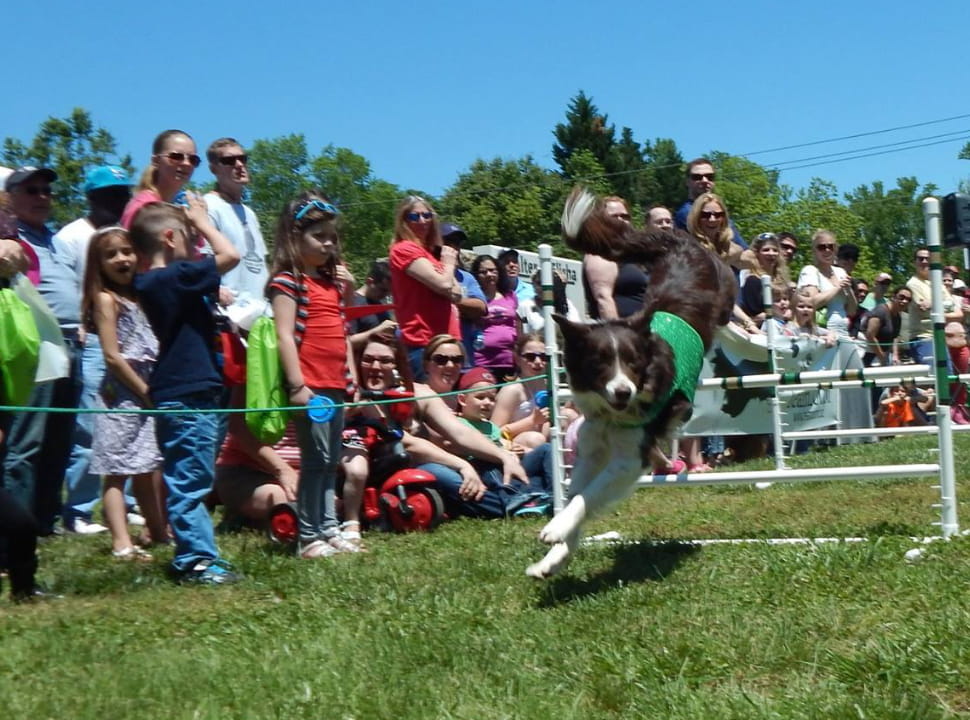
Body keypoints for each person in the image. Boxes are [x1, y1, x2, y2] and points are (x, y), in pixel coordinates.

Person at [130, 199, 241, 584]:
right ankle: (194, 561)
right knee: (189, 482)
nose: (197, 245)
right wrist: (203, 220)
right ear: (169, 237)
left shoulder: (163, 282)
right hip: (186, 391)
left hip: (193, 388)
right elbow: (230, 254)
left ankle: (199, 554)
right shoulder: (171, 277)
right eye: (191, 238)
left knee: (193, 477)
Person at [267, 192, 359, 559]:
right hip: (311, 385)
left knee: (330, 458)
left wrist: (352, 379)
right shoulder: (287, 283)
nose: (328, 243)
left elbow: (342, 331)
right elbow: (284, 336)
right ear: (294, 237)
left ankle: (329, 528)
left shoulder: (332, 285)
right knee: (314, 459)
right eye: (318, 235)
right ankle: (308, 535)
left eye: (331, 236)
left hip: (335, 383)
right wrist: (297, 385)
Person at [55, 165, 136, 535]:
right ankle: (78, 509)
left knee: (133, 423)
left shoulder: (127, 235)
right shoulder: (72, 235)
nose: (118, 200)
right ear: (91, 197)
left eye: (123, 193)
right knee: (89, 428)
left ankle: (129, 501)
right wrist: (82, 326)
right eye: (110, 194)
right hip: (90, 339)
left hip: (133, 341)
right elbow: (66, 287)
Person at [3, 166, 83, 535]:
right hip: (35, 348)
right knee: (26, 442)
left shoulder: (54, 239)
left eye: (47, 190)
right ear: (10, 198)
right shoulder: (10, 241)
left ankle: (43, 523)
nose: (42, 197)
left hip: (72, 345)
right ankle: (14, 531)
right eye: (31, 190)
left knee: (59, 441)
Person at [81, 226, 168, 559]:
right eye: (111, 254)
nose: (121, 259)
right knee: (116, 469)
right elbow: (112, 356)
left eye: (127, 251)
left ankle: (157, 531)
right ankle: (121, 541)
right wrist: (145, 391)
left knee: (147, 465)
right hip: (122, 392)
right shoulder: (106, 299)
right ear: (98, 264)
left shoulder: (140, 295)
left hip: (147, 388)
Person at [388, 195, 461, 381]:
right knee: (429, 404)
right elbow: (445, 284)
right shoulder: (403, 249)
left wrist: (445, 279)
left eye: (427, 215)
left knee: (449, 402)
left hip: (448, 339)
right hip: (423, 342)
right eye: (414, 217)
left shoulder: (430, 254)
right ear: (403, 221)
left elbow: (458, 294)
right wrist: (449, 263)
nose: (422, 221)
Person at [203, 138, 269, 325]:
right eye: (229, 161)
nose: (239, 165)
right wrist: (215, 289)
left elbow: (261, 263)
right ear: (213, 169)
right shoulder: (209, 206)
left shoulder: (250, 213)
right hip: (231, 315)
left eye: (243, 158)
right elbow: (203, 259)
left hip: (262, 313)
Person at [581, 195, 647, 320]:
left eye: (625, 216)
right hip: (623, 333)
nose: (620, 220)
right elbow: (603, 299)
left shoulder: (631, 254)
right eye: (614, 217)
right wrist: (619, 336)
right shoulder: (599, 253)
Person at [121, 130, 200, 227]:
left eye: (193, 159)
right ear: (156, 161)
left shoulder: (184, 209)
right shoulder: (144, 208)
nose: (187, 163)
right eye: (176, 156)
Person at [491, 333, 552, 449]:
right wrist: (532, 421)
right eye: (530, 357)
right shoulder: (512, 390)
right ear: (517, 359)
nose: (538, 361)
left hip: (543, 439)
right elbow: (494, 432)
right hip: (517, 444)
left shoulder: (548, 385)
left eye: (543, 356)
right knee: (535, 439)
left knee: (568, 416)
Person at [439, 222, 487, 364]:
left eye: (457, 243)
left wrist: (452, 301)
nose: (453, 247)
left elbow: (481, 308)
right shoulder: (427, 272)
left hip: (464, 356)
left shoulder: (466, 277)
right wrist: (465, 308)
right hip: (436, 356)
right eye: (448, 242)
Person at [906, 248, 963, 366]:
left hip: (940, 337)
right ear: (914, 262)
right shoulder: (912, 284)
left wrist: (933, 305)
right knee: (931, 379)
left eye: (927, 258)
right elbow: (924, 311)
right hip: (923, 338)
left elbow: (956, 311)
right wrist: (943, 306)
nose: (924, 261)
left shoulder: (938, 284)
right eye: (920, 258)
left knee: (947, 377)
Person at [674, 158, 747, 249]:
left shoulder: (718, 209)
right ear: (687, 182)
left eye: (710, 177)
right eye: (697, 177)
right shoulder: (686, 213)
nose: (705, 180)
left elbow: (742, 248)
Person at [796, 230, 856, 339]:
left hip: (843, 332)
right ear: (814, 250)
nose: (827, 250)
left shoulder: (841, 272)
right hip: (822, 334)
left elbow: (852, 311)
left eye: (831, 246)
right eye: (822, 247)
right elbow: (811, 302)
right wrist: (838, 287)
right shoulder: (810, 271)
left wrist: (849, 290)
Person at [470, 253, 520, 381]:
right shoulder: (474, 298)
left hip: (508, 360)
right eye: (483, 271)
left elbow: (517, 325)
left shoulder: (510, 295)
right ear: (477, 275)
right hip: (482, 360)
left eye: (493, 270)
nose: (489, 274)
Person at [738, 233, 790, 328]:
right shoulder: (753, 281)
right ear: (756, 253)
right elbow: (756, 316)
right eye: (766, 250)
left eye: (775, 250)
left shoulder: (783, 280)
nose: (771, 253)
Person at [519, 269, 581, 333]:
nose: (542, 287)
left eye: (548, 283)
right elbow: (524, 334)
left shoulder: (567, 304)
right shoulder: (525, 306)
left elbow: (576, 327)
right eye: (539, 283)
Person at [864, 286, 910, 367]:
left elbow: (894, 337)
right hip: (868, 354)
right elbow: (870, 335)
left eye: (908, 299)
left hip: (884, 356)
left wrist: (895, 355)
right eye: (901, 297)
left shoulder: (897, 316)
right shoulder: (880, 311)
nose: (905, 301)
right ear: (893, 297)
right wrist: (881, 357)